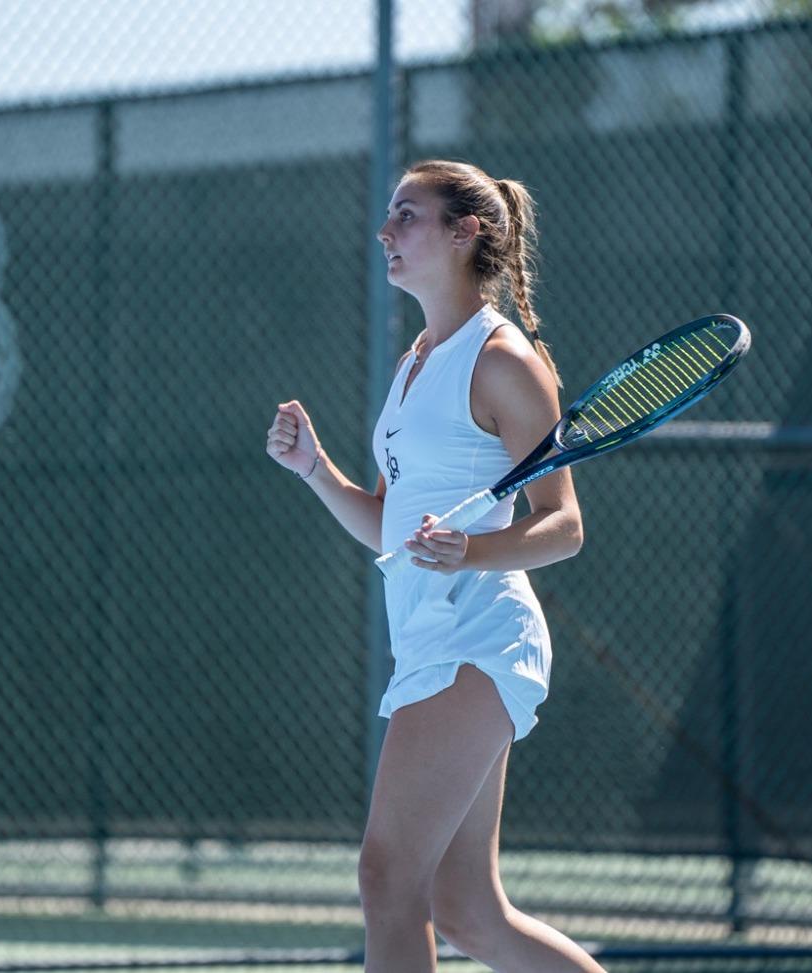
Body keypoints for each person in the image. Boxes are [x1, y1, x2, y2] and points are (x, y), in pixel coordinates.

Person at [265, 159, 603, 972]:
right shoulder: (418, 359)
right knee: (468, 911)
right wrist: (317, 469)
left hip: (478, 634)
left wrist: (472, 550)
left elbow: (563, 526)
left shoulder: (503, 362)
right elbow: (389, 526)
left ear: (465, 232)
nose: (386, 231)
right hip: (431, 636)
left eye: (406, 215)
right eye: (390, 214)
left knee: (387, 879)